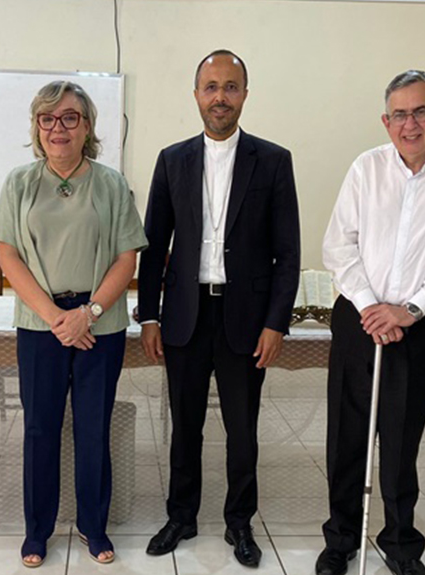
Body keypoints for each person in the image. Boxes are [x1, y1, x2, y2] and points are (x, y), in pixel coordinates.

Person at [138, 49, 301, 568]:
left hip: (244, 320)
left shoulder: (273, 160)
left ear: (245, 96)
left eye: (231, 87)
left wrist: (277, 322)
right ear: (196, 95)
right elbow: (154, 242)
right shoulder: (172, 160)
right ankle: (181, 516)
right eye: (211, 87)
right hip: (186, 316)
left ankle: (239, 523)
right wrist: (148, 315)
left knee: (242, 432)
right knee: (185, 426)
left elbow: (288, 253)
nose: (220, 97)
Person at [320, 70, 425, 575]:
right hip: (359, 318)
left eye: (420, 111)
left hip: (421, 324)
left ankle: (399, 543)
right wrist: (374, 307)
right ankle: (341, 538)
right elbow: (338, 245)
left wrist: (408, 310)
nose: (409, 124)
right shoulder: (366, 168)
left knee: (401, 439)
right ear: (385, 120)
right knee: (347, 437)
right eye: (398, 114)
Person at [0, 80, 147, 568]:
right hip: (42, 324)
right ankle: (38, 530)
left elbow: (126, 258)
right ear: (37, 127)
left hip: (99, 323)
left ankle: (93, 526)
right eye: (48, 119)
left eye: (70, 117)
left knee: (93, 427)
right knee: (40, 429)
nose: (59, 128)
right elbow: (9, 256)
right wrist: (57, 317)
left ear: (88, 126)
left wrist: (89, 313)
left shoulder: (111, 184)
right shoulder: (19, 183)